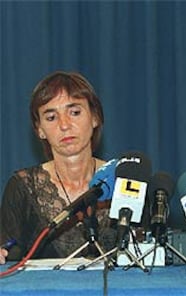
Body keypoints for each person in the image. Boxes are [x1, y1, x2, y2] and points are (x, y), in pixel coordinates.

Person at [0, 71, 113, 264]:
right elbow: (7, 248)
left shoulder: (124, 180)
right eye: (51, 117)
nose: (64, 125)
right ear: (40, 130)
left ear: (95, 118)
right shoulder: (23, 187)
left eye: (74, 112)